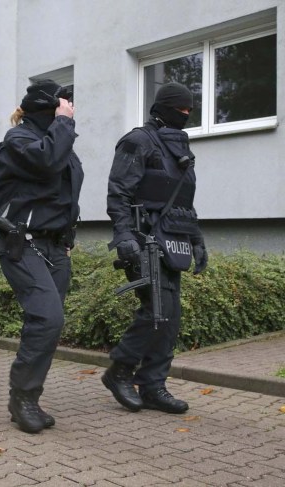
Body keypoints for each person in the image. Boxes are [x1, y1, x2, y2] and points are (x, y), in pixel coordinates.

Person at [103, 82, 208, 414]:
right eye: (181, 109)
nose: (186, 114)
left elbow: (183, 203)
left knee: (170, 315)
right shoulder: (138, 141)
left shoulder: (179, 149)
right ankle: (120, 370)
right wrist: (124, 236)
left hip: (172, 239)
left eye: (190, 110)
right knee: (155, 310)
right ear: (162, 107)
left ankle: (152, 385)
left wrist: (196, 239)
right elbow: (118, 193)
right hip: (143, 239)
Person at [0, 79, 84, 433]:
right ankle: (23, 399)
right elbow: (46, 164)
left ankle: (30, 396)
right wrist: (64, 123)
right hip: (22, 243)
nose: (71, 110)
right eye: (64, 105)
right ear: (49, 108)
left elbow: (67, 194)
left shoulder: (57, 141)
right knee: (47, 318)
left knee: (48, 323)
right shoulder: (19, 140)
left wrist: (68, 237)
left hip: (53, 245)